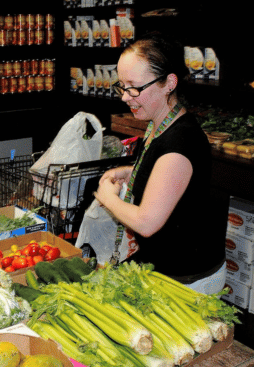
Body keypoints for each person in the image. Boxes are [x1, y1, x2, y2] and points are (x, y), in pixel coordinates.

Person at [94, 32, 226, 294]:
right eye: (122, 86)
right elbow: (170, 177)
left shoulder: (181, 140)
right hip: (163, 263)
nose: (125, 96)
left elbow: (146, 222)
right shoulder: (160, 123)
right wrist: (132, 171)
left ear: (169, 83)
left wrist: (107, 197)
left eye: (134, 87)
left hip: (186, 277)